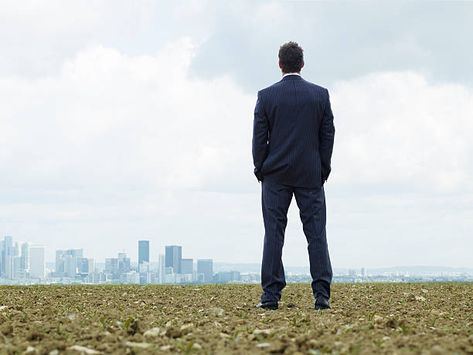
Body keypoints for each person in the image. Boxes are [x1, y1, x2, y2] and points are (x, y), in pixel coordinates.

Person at [252, 41, 335, 310]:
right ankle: (321, 295)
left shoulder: (266, 97)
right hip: (310, 174)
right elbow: (328, 135)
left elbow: (258, 138)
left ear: (280, 64)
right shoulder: (320, 95)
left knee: (274, 233)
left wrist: (260, 167)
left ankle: (270, 296)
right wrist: (322, 168)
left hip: (274, 175)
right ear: (302, 64)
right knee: (316, 234)